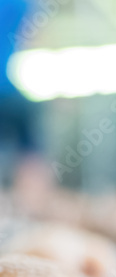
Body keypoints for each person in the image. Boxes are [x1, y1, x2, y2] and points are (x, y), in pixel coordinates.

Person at [0, 0, 48, 207]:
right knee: (30, 154)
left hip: (10, 93)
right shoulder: (22, 3)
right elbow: (33, 38)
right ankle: (34, 209)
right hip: (10, 91)